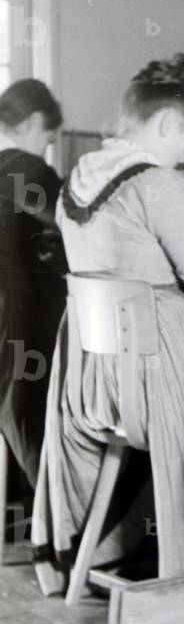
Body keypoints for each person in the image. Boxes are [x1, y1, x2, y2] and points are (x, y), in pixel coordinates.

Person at [32, 53, 184, 580]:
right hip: (157, 383)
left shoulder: (75, 181)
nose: (183, 154)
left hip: (95, 383)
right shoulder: (157, 182)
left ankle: (102, 543)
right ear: (167, 123)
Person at [0, 79, 66, 486]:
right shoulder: (29, 167)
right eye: (47, 137)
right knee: (29, 408)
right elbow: (73, 224)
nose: (46, 146)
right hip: (14, 307)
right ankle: (54, 522)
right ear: (36, 122)